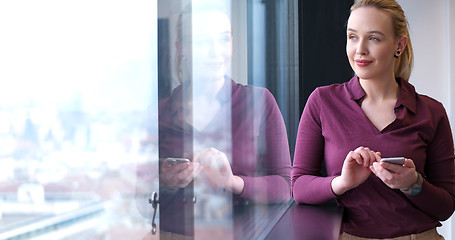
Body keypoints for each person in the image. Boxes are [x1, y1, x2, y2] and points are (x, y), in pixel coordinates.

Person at [292, 0, 455, 239]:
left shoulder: (432, 111)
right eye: (352, 37)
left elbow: (446, 206)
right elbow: (298, 187)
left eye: (374, 38)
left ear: (399, 45)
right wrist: (342, 182)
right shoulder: (322, 101)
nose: (360, 49)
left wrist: (414, 183)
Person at [142, 2, 291, 238]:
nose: (215, 52)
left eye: (223, 39)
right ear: (182, 47)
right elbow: (131, 190)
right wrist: (163, 180)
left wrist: (233, 182)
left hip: (244, 235)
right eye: (202, 41)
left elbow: (286, 187)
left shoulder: (260, 102)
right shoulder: (157, 112)